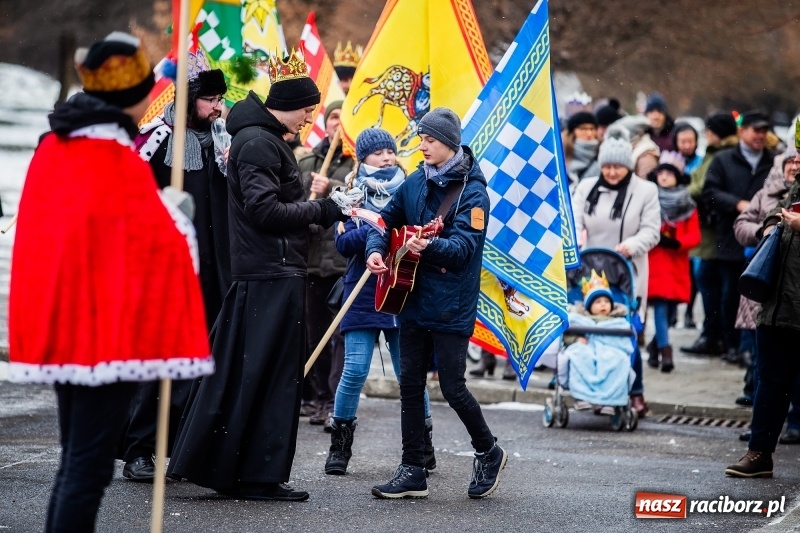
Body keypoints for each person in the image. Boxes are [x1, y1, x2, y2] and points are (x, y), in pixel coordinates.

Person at [8, 32, 212, 531]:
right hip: (104, 335)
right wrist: (179, 218)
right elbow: (152, 244)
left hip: (65, 326)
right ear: (133, 97)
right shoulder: (114, 159)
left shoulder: (56, 148)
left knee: (77, 460)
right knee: (87, 466)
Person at [167, 49, 348, 501]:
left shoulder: (260, 140)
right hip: (269, 273)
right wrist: (323, 209)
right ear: (287, 106)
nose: (310, 119)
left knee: (255, 375)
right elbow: (264, 210)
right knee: (267, 376)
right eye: (307, 110)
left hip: (269, 270)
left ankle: (241, 469)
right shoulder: (260, 142)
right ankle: (254, 474)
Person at [366, 107, 507, 499]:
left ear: (448, 143)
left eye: (428, 139)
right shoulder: (414, 181)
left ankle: (489, 451)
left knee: (452, 386)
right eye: (422, 139)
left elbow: (463, 250)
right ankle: (413, 469)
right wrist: (376, 250)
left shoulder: (474, 194)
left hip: (450, 305)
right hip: (410, 298)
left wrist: (428, 246)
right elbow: (385, 222)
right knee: (409, 385)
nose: (421, 145)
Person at [119, 42, 232, 483]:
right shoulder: (154, 141)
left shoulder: (224, 142)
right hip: (165, 270)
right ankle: (139, 448)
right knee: (158, 361)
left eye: (221, 99)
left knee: (201, 362)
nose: (217, 107)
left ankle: (183, 449)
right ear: (188, 100)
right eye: (210, 99)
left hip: (214, 272)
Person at [326, 127, 435, 475]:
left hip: (402, 288)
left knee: (410, 373)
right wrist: (375, 230)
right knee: (354, 370)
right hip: (361, 290)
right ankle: (339, 444)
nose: (387, 156)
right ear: (363, 158)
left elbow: (420, 231)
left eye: (390, 150)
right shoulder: (350, 194)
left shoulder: (412, 188)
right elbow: (341, 244)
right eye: (378, 152)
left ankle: (425, 442)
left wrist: (394, 231)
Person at [571, 128, 660, 416]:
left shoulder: (646, 190)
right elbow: (573, 221)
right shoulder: (586, 187)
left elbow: (652, 230)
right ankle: (586, 385)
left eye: (618, 167)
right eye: (606, 166)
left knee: (625, 330)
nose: (611, 172)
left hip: (626, 269)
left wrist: (632, 245)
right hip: (591, 270)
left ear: (629, 166)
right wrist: (574, 244)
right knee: (588, 328)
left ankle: (634, 390)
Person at [724, 147, 800, 478]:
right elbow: (778, 211)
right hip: (777, 302)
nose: (796, 162)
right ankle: (759, 453)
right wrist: (771, 224)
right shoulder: (796, 183)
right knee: (769, 381)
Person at [702, 110, 774, 365]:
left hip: (764, 241)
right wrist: (737, 204)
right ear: (742, 131)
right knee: (729, 295)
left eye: (764, 131)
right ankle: (731, 344)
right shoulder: (723, 160)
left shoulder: (773, 161)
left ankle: (750, 348)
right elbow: (709, 192)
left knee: (756, 297)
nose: (760, 136)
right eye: (755, 130)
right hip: (729, 238)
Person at [298, 100, 352, 429]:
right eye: (333, 117)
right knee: (314, 332)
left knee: (341, 335)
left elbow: (359, 197)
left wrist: (330, 188)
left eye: (342, 119)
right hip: (312, 262)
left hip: (343, 263)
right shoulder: (306, 161)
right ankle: (318, 397)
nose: (336, 123)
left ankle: (337, 399)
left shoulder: (358, 163)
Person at [681, 112, 739, 356]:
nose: (706, 134)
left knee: (711, 282)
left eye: (710, 130)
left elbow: (702, 186)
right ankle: (717, 335)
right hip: (712, 230)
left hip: (715, 232)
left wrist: (684, 188)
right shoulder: (718, 154)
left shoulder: (720, 156)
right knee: (712, 283)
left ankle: (716, 336)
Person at [644, 152, 700, 372]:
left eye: (669, 173)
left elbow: (695, 235)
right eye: (661, 173)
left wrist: (677, 243)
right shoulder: (649, 200)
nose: (664, 177)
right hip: (655, 261)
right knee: (660, 305)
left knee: (670, 312)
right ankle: (666, 351)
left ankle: (654, 345)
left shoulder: (687, 204)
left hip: (676, 263)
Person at [559, 270, 634, 413]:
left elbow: (624, 339)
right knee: (578, 355)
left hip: (611, 348)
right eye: (598, 302)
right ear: (589, 306)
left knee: (618, 359)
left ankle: (610, 400)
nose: (603, 305)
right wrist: (576, 339)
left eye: (606, 301)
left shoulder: (617, 321)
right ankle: (582, 397)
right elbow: (566, 336)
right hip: (587, 347)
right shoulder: (580, 320)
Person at [563, 111, 600, 188]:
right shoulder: (561, 154)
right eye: (583, 128)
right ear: (573, 131)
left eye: (592, 129)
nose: (589, 133)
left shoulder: (602, 154)